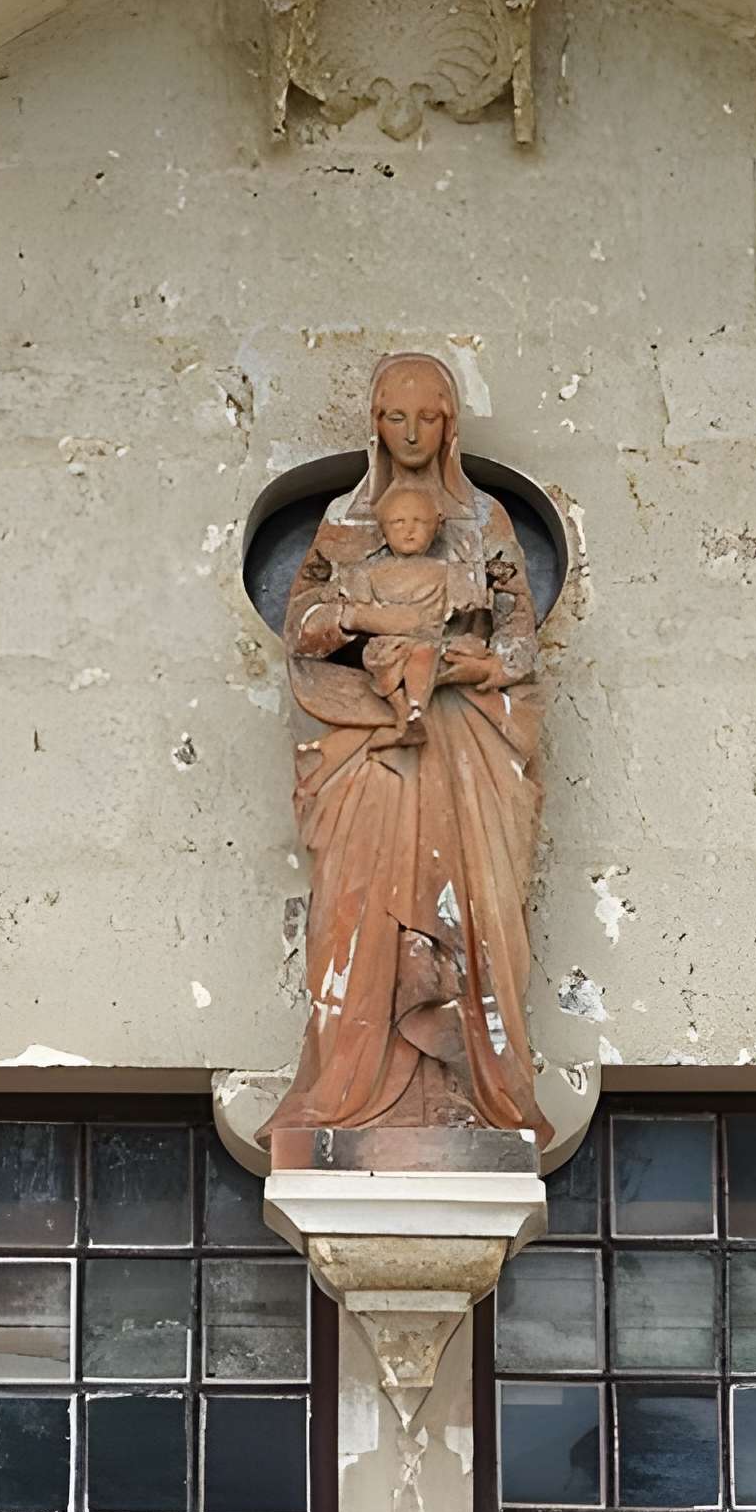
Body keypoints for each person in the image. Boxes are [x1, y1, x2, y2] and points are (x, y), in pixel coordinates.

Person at [270, 353, 552, 1144]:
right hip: (366, 751)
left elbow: (522, 638)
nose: (413, 433)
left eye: (429, 417)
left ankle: (470, 1090)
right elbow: (302, 629)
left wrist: (485, 663)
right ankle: (349, 1091)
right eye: (397, 418)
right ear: (375, 425)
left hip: (469, 747)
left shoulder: (485, 523)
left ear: (451, 423)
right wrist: (363, 619)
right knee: (350, 914)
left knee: (478, 912)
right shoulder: (342, 525)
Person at [345, 480, 487, 745]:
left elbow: (472, 612)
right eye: (398, 522)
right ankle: (402, 710)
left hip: (431, 643)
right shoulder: (368, 573)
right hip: (385, 645)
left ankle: (414, 711)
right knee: (390, 659)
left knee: (425, 652)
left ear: (438, 525)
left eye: (420, 522)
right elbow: (354, 611)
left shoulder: (447, 571)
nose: (409, 530)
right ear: (382, 529)